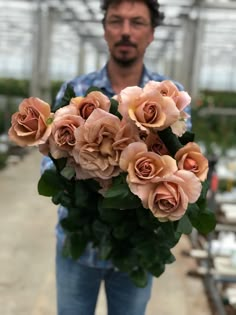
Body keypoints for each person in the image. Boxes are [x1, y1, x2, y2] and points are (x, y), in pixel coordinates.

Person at [41, 0, 191, 314]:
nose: (125, 31)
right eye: (116, 21)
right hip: (79, 242)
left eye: (136, 22)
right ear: (104, 29)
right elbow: (49, 160)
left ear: (151, 33)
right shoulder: (77, 90)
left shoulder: (169, 95)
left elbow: (182, 160)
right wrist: (87, 175)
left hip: (136, 247)